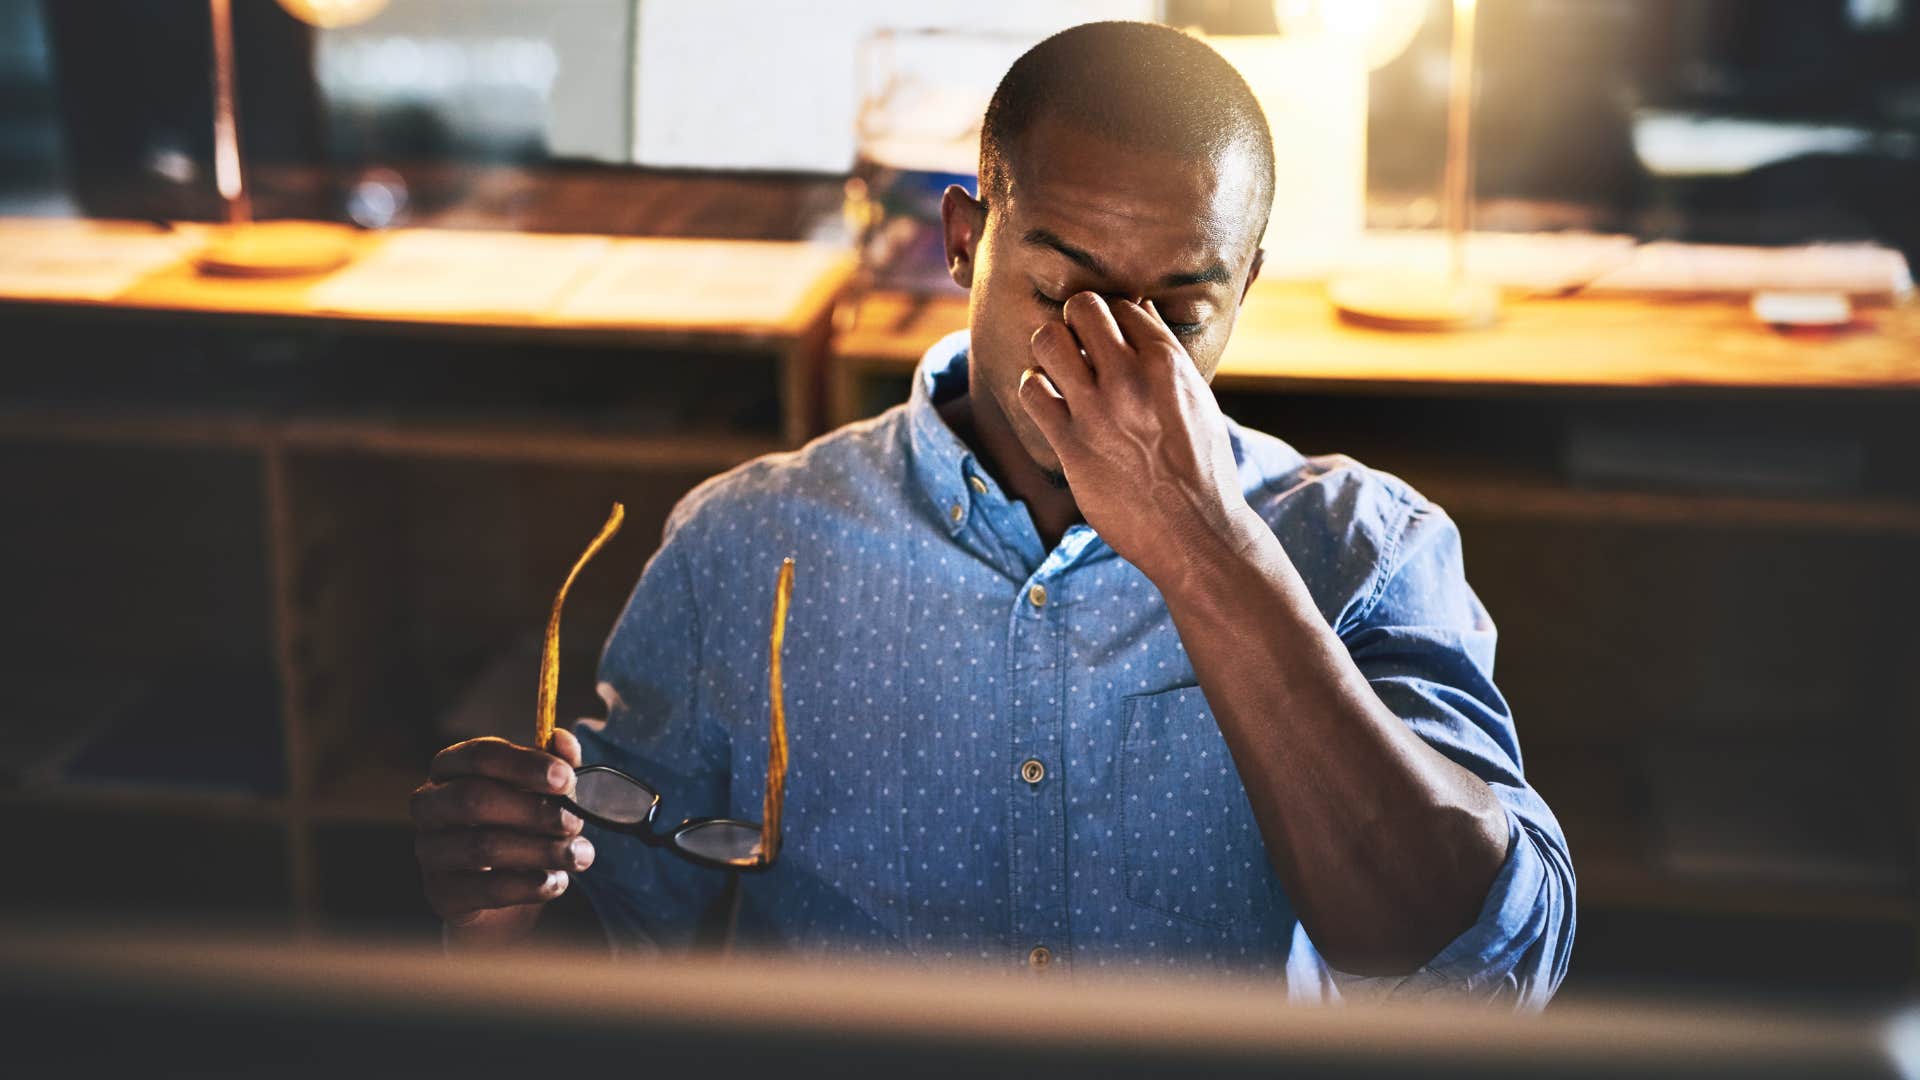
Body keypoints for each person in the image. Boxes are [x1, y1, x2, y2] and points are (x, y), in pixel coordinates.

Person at [409, 20, 1574, 1007]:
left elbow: (1487, 967)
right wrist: (511, 902)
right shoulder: (745, 545)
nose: (1109, 354)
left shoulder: (1368, 547)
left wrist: (1202, 548)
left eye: (1180, 307)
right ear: (966, 243)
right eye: (1061, 289)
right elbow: (613, 950)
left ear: (1247, 291)